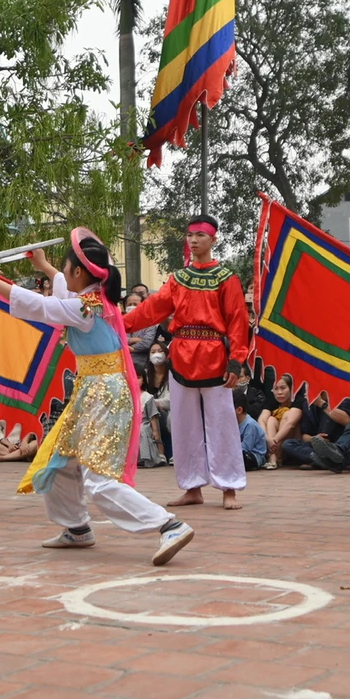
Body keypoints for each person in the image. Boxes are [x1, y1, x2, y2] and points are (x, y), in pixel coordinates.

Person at [0, 232, 194, 565]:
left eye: (65, 266)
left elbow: (41, 305)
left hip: (103, 394)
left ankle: (168, 524)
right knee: (59, 462)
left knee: (99, 479)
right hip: (93, 391)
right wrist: (45, 266)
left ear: (79, 272)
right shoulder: (91, 300)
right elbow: (60, 293)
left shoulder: (85, 307)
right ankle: (76, 528)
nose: (63, 271)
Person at [121, 214, 252, 511]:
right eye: (190, 235)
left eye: (200, 235)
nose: (193, 240)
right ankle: (192, 486)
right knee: (184, 426)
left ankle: (229, 487)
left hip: (214, 357)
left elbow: (237, 321)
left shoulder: (227, 278)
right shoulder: (178, 279)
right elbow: (153, 309)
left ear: (213, 239)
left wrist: (236, 360)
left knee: (222, 425)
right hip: (181, 356)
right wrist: (121, 323)